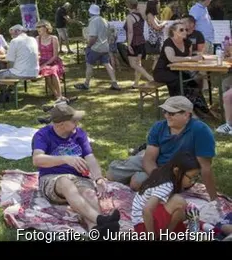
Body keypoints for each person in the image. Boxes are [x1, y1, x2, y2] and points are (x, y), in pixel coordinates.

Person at [106, 96, 219, 206]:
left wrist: (214, 200)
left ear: (186, 114)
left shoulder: (201, 131)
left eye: (171, 113)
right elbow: (149, 159)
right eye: (165, 111)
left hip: (176, 172)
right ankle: (138, 160)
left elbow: (206, 168)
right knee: (111, 173)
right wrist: (159, 178)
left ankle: (138, 173)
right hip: (155, 165)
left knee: (137, 182)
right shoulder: (159, 127)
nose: (166, 116)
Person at [31, 103, 120, 236]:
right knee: (65, 183)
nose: (77, 122)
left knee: (89, 193)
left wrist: (99, 178)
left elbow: (90, 157)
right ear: (61, 124)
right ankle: (101, 219)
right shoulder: (42, 135)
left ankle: (95, 229)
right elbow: (37, 159)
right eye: (74, 121)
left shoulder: (79, 134)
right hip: (52, 178)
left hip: (78, 177)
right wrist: (65, 159)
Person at [130, 151, 201, 236]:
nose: (192, 182)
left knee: (182, 211)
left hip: (144, 224)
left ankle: (166, 236)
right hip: (143, 227)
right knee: (179, 201)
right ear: (176, 171)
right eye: (191, 177)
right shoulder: (166, 185)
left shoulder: (164, 174)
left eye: (196, 177)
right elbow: (147, 210)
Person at [74, 4, 121, 92]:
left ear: (90, 12)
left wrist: (88, 46)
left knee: (89, 65)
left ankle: (86, 84)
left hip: (95, 47)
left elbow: (93, 37)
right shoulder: (104, 20)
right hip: (105, 47)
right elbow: (109, 34)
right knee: (107, 64)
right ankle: (114, 82)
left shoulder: (94, 21)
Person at [152, 21, 203, 98]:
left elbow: (187, 61)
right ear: (173, 31)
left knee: (193, 82)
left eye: (186, 30)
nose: (185, 31)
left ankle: (199, 107)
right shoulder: (168, 42)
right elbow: (172, 58)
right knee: (179, 82)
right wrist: (191, 58)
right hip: (163, 71)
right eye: (181, 30)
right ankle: (178, 104)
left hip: (178, 70)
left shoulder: (187, 42)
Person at [0, 25, 39, 102]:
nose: (11, 36)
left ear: (17, 31)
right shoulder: (33, 39)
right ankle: (9, 90)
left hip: (21, 72)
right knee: (7, 72)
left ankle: (5, 93)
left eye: (12, 34)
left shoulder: (15, 41)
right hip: (34, 71)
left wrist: (8, 67)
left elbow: (10, 61)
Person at [124, 0, 153, 88]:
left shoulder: (129, 17)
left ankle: (150, 78)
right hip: (141, 42)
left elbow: (130, 32)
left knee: (133, 64)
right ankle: (136, 83)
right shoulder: (141, 15)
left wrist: (129, 45)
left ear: (128, 6)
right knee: (138, 64)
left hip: (134, 42)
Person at [35, 20, 65, 102]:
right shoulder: (37, 38)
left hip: (53, 61)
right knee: (47, 73)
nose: (37, 29)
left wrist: (46, 64)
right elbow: (37, 53)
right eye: (37, 27)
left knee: (53, 72)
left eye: (39, 27)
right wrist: (39, 64)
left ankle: (60, 95)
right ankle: (57, 96)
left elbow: (55, 55)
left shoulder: (54, 38)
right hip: (42, 61)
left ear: (46, 27)